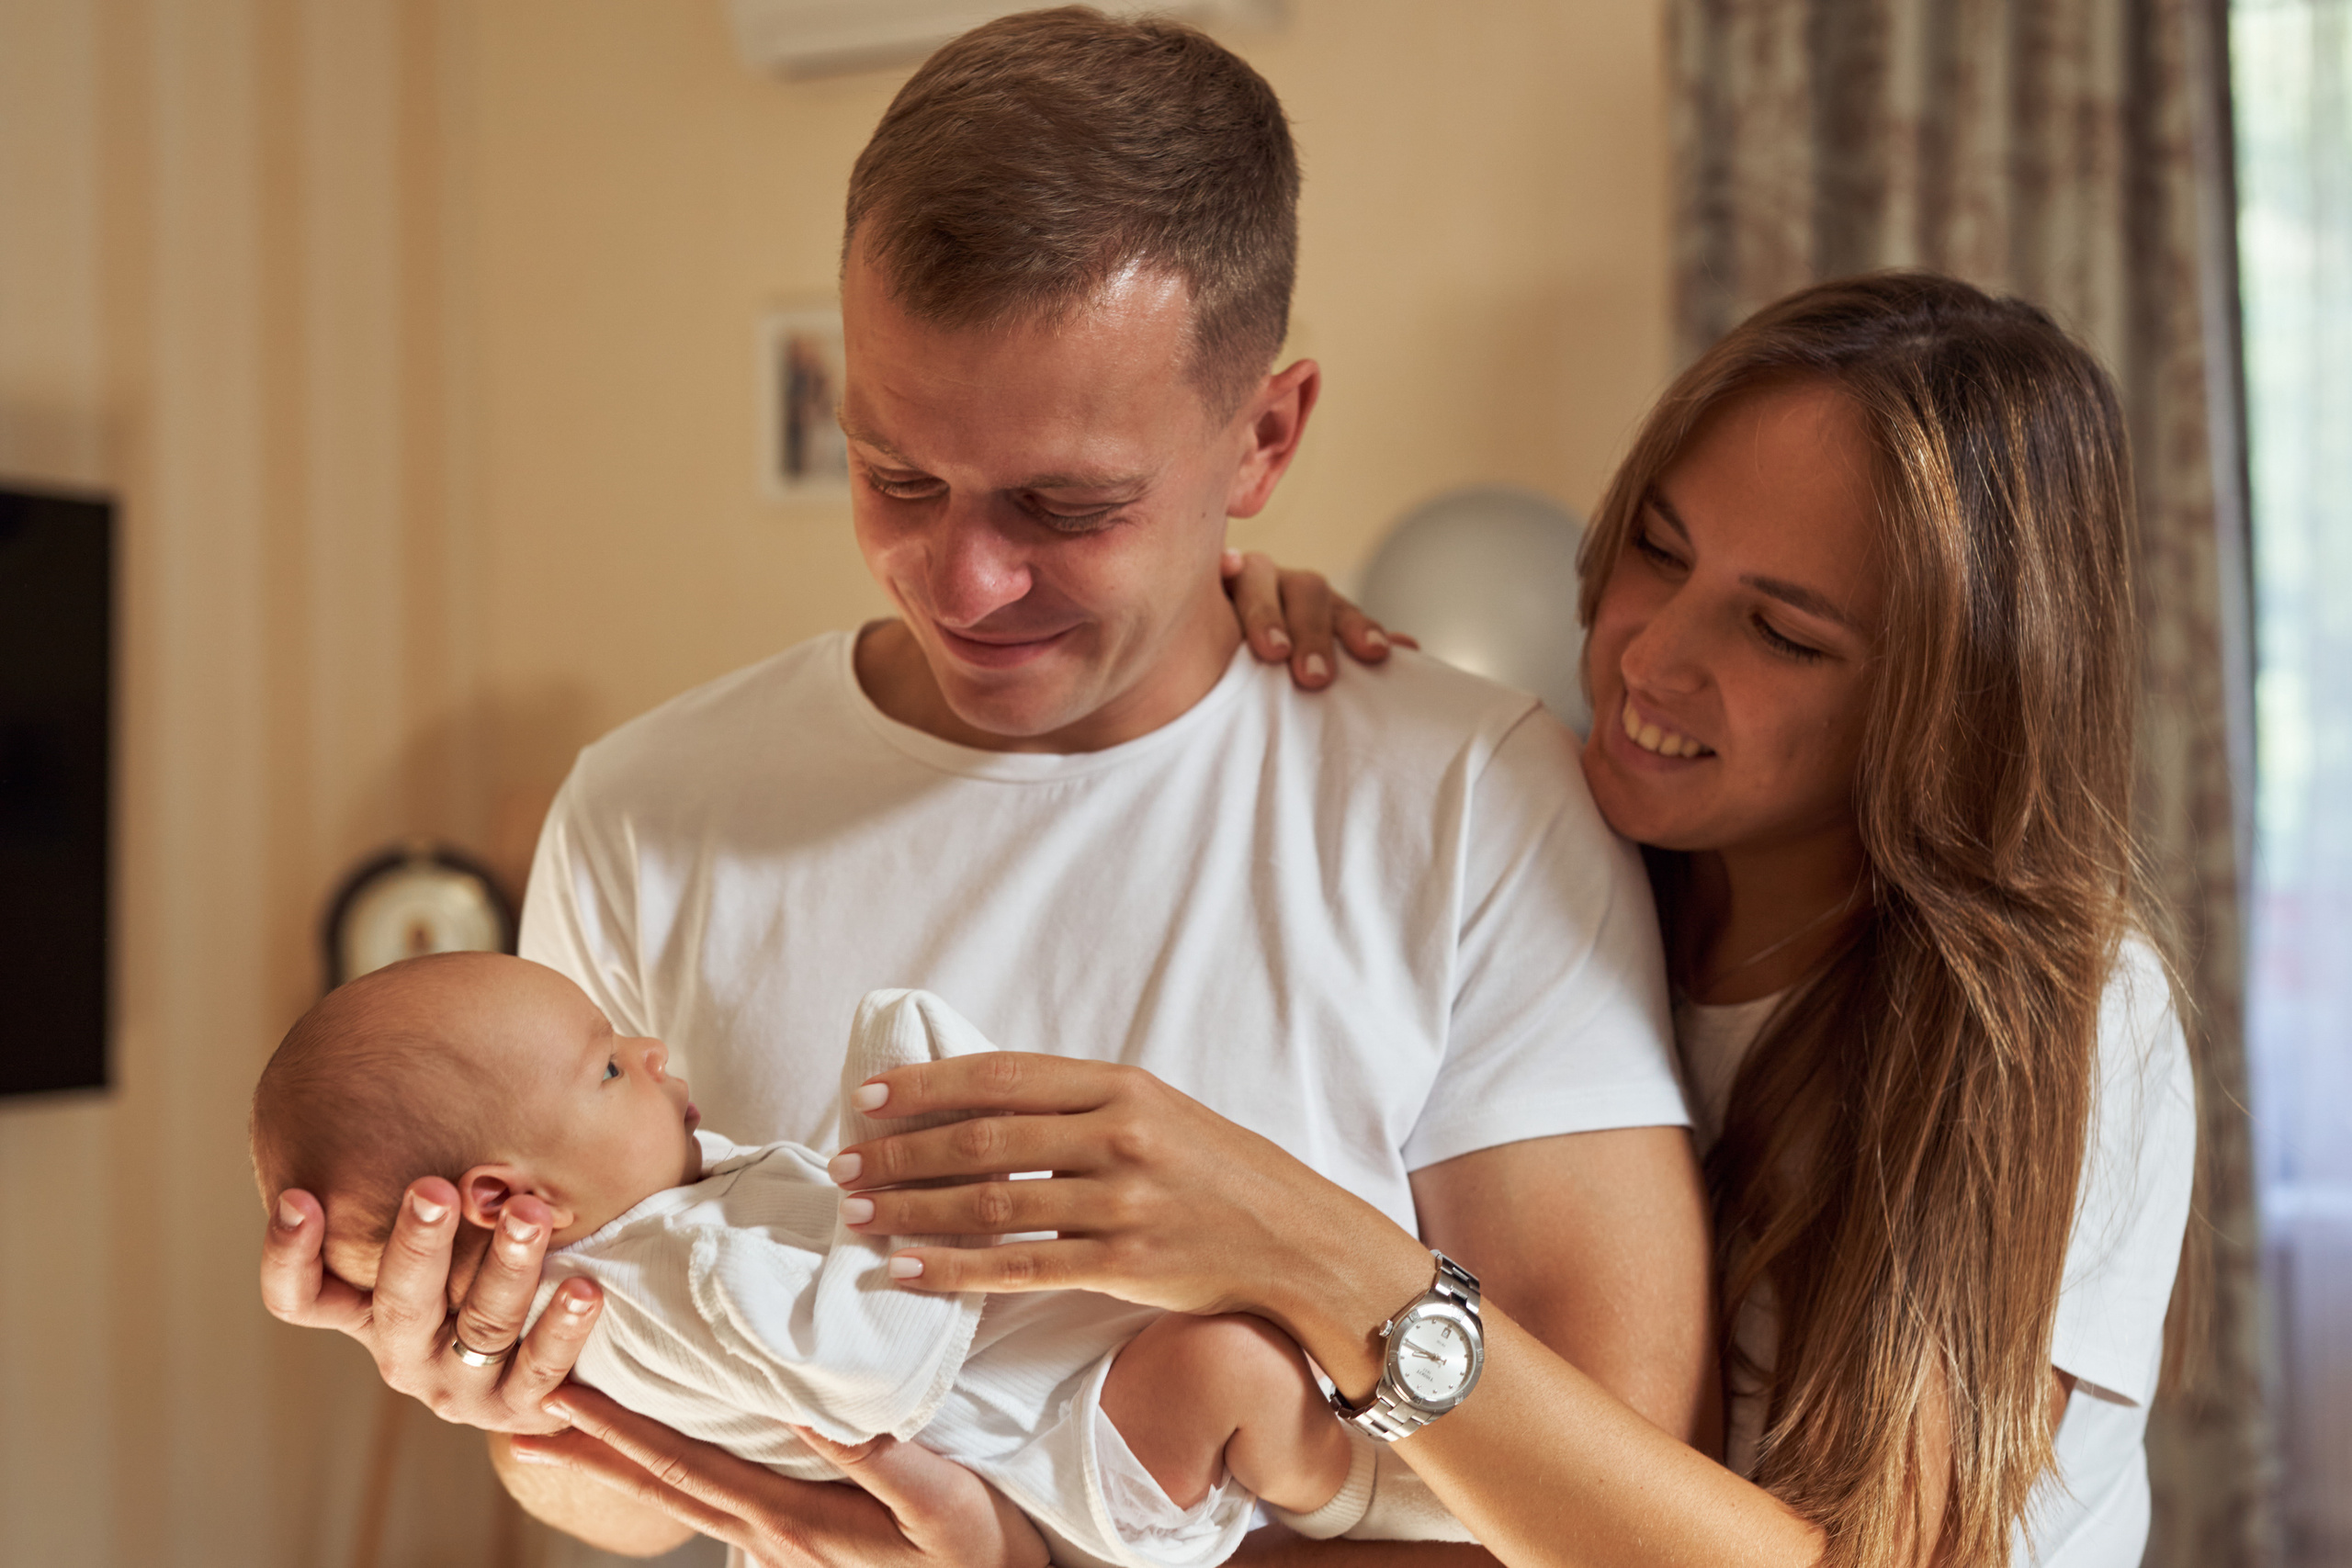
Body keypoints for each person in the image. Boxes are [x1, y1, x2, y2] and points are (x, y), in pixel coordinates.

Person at [257, 10, 1711, 1564]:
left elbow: (1607, 1490)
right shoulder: (647, 808)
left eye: (1066, 502)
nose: (962, 579)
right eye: (895, 477)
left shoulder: (1470, 802)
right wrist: (508, 1393)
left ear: (1263, 438)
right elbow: (587, 1472)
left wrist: (1270, 1248)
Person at [822, 273, 2200, 1567]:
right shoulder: (1564, 863)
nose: (1654, 654)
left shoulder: (2059, 1019)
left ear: (1952, 695)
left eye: (1782, 634)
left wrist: (1310, 1253)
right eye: (1659, 550)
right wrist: (1243, 654)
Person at [250, 954, 1460, 1568]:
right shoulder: (656, 1282)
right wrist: (906, 1164)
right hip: (1045, 1463)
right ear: (520, 1201)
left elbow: (747, 1207)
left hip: (1028, 1447)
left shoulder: (650, 1238)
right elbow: (871, 1369)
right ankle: (1391, 1506)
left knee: (1238, 1367)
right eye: (611, 1068)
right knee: (1231, 1374)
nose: (656, 1052)